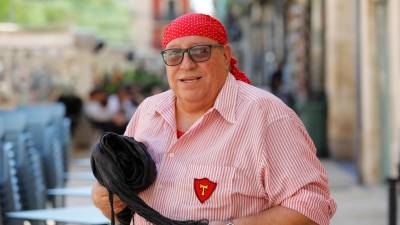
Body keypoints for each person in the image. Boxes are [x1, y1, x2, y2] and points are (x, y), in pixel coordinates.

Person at [92, 13, 336, 225]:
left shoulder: (266, 115)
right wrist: (103, 195)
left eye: (200, 52)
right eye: (174, 54)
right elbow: (119, 179)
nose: (186, 64)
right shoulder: (148, 111)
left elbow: (312, 208)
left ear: (225, 56)